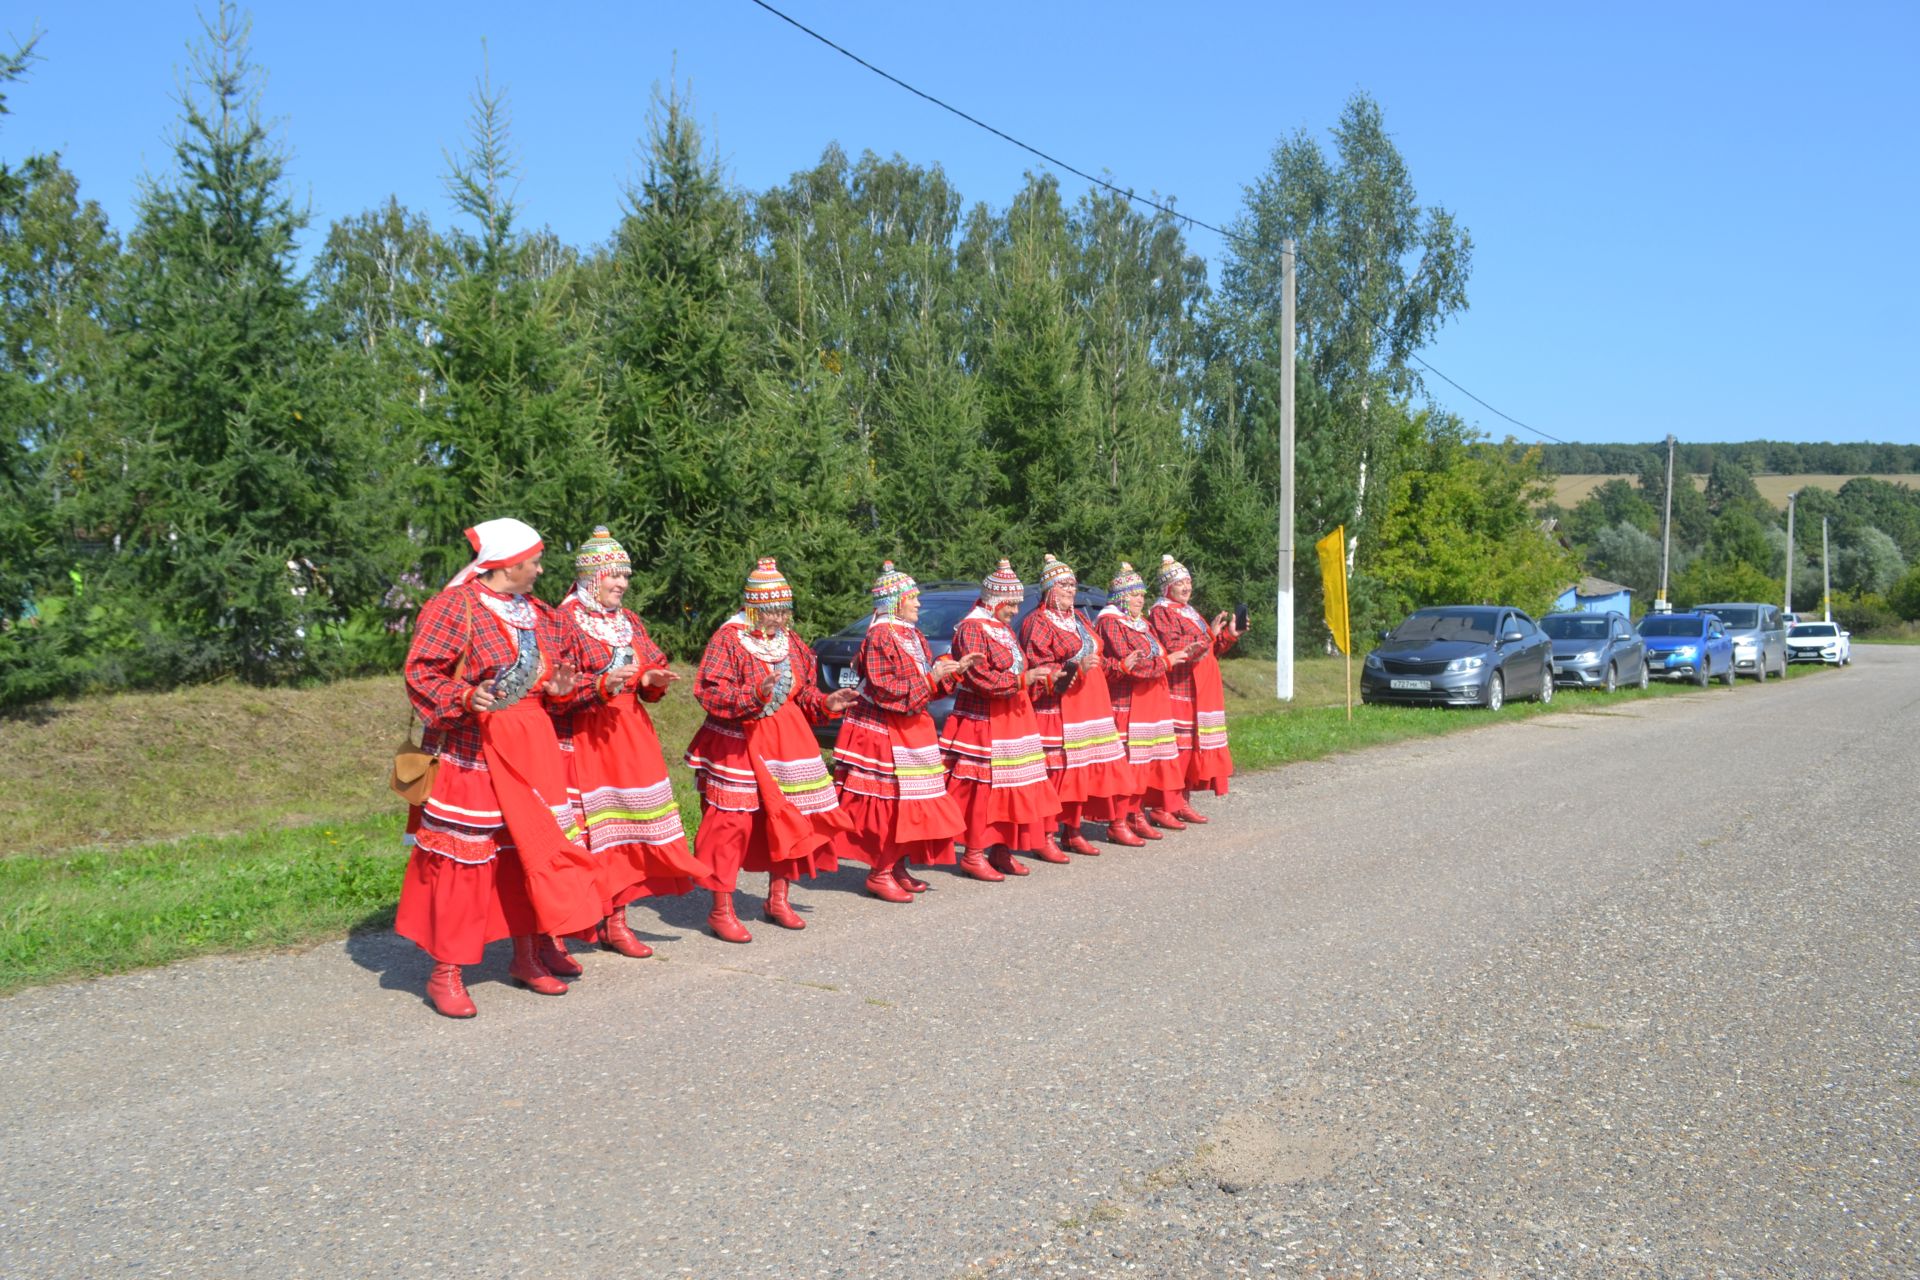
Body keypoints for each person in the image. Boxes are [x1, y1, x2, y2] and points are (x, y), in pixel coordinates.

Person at [393, 517, 609, 1018]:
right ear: (508, 565)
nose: (539, 569)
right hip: (474, 752)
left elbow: (562, 684)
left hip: (534, 751)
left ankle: (528, 956)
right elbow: (421, 672)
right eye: (533, 561)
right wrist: (466, 695)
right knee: (465, 866)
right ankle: (446, 971)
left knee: (530, 856)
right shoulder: (456, 607)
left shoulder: (544, 615)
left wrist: (561, 690)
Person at [553, 526, 710, 959]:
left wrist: (650, 678)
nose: (621, 583)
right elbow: (556, 683)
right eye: (613, 575)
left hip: (629, 736)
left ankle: (617, 920)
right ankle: (573, 927)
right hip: (584, 736)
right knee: (586, 837)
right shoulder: (563, 620)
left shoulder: (627, 620)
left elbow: (649, 662)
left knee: (626, 831)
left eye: (625, 575)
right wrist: (602, 684)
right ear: (590, 578)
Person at [684, 557, 858, 942]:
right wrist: (755, 693)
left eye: (783, 610)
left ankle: (778, 898)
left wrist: (826, 703)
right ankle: (720, 909)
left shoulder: (791, 642)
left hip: (788, 743)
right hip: (738, 742)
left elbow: (805, 692)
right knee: (730, 825)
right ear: (752, 608)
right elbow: (711, 693)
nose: (778, 619)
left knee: (791, 819)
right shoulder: (728, 639)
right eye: (770, 611)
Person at [831, 561, 971, 901]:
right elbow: (886, 691)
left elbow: (921, 689)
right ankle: (879, 871)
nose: (919, 604)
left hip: (910, 728)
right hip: (884, 730)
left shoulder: (912, 635)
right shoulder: (880, 636)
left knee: (914, 801)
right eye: (913, 598)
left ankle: (896, 864)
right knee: (892, 803)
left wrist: (951, 673)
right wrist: (931, 679)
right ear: (895, 602)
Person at [938, 559, 1064, 880]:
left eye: (1017, 603)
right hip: (985, 720)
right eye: (1011, 603)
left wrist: (1038, 678)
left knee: (1016, 786)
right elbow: (981, 678)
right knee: (984, 790)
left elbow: (1015, 669)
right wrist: (1023, 680)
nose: (1015, 609)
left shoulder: (1001, 628)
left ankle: (1002, 848)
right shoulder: (972, 628)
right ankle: (974, 852)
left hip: (1013, 718)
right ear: (996, 601)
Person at [1018, 554, 1134, 856]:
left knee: (1082, 770)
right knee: (1058, 772)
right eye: (1063, 585)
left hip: (1091, 704)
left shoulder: (1079, 619)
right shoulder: (1037, 623)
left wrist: (1119, 666)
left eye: (1073, 585)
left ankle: (1072, 830)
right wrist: (1076, 669)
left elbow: (1096, 660)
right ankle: (1045, 836)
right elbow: (1042, 670)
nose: (1071, 590)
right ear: (1048, 590)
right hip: (1060, 707)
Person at [1093, 561, 1186, 845]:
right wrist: (1166, 662)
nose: (1140, 600)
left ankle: (1138, 813)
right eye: (1135, 595)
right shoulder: (1110, 622)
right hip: (1129, 701)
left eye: (1143, 595)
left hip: (1151, 699)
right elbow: (1133, 663)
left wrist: (1160, 661)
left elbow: (1152, 655)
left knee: (1147, 761)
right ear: (1121, 596)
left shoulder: (1141, 623)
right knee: (1129, 761)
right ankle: (1118, 820)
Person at [1148, 554, 1242, 823]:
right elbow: (1176, 644)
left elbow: (1208, 648)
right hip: (1180, 688)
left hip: (1201, 689)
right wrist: (1209, 635)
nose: (1187, 587)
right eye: (1180, 583)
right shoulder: (1161, 611)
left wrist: (1228, 636)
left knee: (1190, 749)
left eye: (1188, 581)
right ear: (1168, 587)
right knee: (1176, 749)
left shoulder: (1189, 611)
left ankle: (1182, 801)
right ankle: (1163, 806)